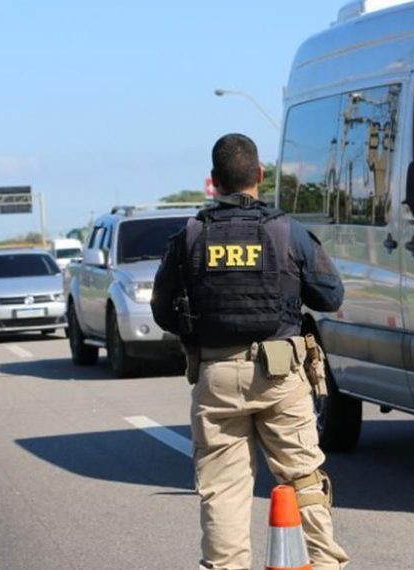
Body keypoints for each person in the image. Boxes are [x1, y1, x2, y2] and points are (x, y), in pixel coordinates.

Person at [151, 133, 349, 570]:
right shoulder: (287, 232)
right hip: (281, 375)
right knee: (303, 478)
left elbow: (162, 311)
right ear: (259, 175)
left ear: (213, 181)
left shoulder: (189, 237)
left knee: (223, 491)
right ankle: (324, 563)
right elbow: (331, 296)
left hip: (217, 374)